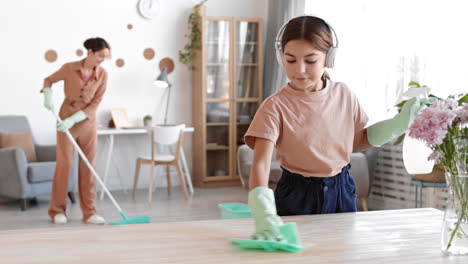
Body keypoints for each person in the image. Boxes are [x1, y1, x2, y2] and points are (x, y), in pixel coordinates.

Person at [244, 16, 421, 241]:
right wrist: (262, 211)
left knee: (339, 252)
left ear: (329, 58)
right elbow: (260, 163)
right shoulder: (275, 106)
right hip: (297, 193)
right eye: (290, 60)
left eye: (310, 60)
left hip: (341, 189)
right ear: (281, 58)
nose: (300, 69)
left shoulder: (344, 94)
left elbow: (357, 142)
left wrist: (397, 125)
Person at [41, 37, 111, 224]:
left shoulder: (103, 75)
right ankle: (57, 211)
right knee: (64, 165)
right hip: (65, 120)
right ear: (90, 52)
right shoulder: (69, 68)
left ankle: (89, 213)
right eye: (100, 56)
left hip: (87, 123)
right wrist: (47, 94)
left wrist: (75, 119)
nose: (102, 60)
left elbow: (95, 103)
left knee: (89, 166)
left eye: (105, 57)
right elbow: (48, 80)